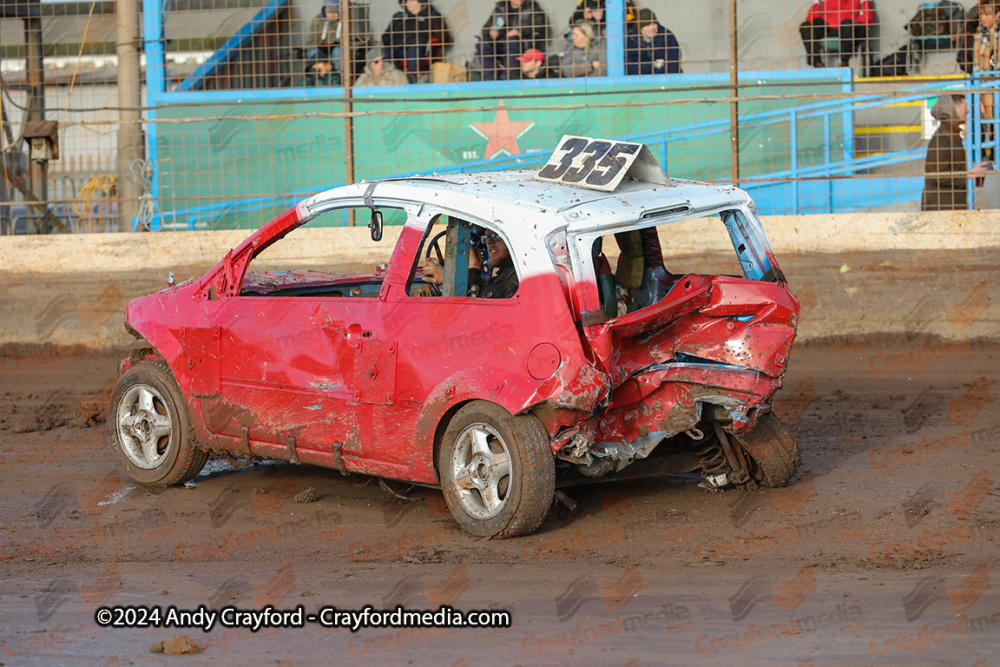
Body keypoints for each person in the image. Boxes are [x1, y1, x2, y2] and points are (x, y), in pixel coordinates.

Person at [921, 94, 989, 211]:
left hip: (948, 207)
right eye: (964, 107)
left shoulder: (951, 135)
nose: (968, 111)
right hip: (940, 209)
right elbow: (936, 175)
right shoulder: (942, 138)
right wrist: (967, 174)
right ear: (953, 110)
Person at [421, 228, 518, 298]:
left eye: (496, 236)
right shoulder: (505, 275)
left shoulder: (514, 278)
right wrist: (474, 270)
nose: (489, 242)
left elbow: (478, 309)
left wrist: (449, 279)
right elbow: (488, 291)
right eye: (486, 237)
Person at [475, 0, 549, 81]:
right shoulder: (500, 8)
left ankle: (509, 78)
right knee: (483, 43)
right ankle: (489, 80)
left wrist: (520, 32)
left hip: (522, 44)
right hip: (501, 43)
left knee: (512, 40)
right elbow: (485, 30)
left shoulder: (532, 8)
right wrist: (491, 32)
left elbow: (541, 28)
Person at [381, 0, 452, 84]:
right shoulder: (399, 17)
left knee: (413, 50)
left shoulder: (433, 16)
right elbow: (385, 36)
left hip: (421, 49)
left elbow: (444, 37)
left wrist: (424, 39)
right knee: (385, 51)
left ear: (420, 2)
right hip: (399, 48)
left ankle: (413, 84)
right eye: (406, 1)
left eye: (411, 1)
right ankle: (396, 80)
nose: (408, 3)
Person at [798, 0, 874, 68]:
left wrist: (855, 23)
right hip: (828, 29)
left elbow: (867, 15)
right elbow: (812, 16)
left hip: (849, 29)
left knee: (847, 24)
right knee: (805, 27)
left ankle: (844, 62)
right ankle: (817, 62)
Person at [304, 1, 367, 81]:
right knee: (313, 52)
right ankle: (316, 81)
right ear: (324, 11)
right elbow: (310, 42)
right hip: (322, 52)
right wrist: (321, 50)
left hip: (341, 51)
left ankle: (344, 81)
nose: (332, 15)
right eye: (329, 12)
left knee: (338, 52)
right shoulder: (317, 20)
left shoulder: (349, 19)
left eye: (336, 12)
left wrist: (340, 44)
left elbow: (357, 42)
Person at [625, 8, 682, 75]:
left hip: (666, 80)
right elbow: (631, 69)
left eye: (654, 23)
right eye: (647, 25)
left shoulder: (667, 36)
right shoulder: (632, 40)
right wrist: (654, 65)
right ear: (640, 28)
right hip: (641, 82)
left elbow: (673, 64)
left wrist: (646, 68)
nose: (652, 28)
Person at [568, 0, 637, 36]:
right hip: (592, 35)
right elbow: (572, 22)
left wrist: (603, 16)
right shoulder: (585, 2)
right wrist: (584, 17)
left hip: (613, 35)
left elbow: (630, 19)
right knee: (572, 35)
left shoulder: (620, 1)